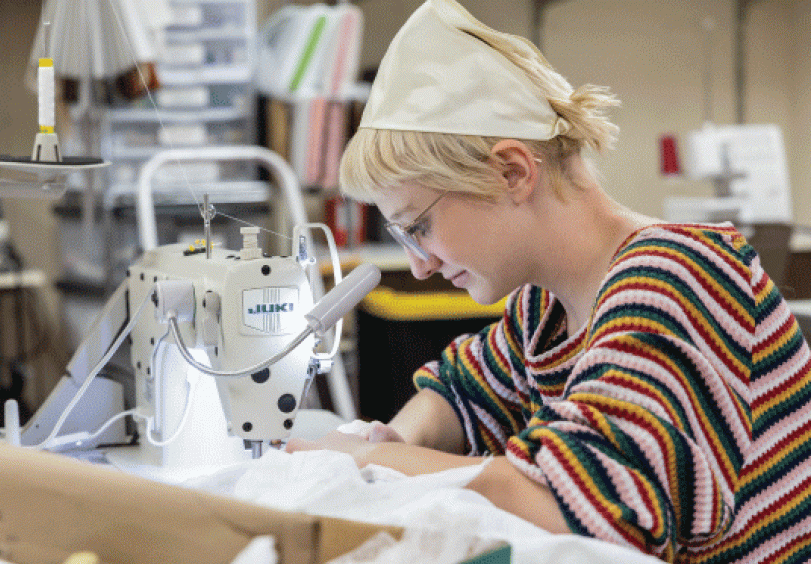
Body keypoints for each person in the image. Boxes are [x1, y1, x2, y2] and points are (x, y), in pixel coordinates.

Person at [286, 0, 811, 562]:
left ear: (512, 171)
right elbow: (460, 390)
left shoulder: (680, 276)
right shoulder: (544, 311)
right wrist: (394, 441)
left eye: (419, 227)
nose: (420, 264)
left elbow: (593, 509)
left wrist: (372, 462)